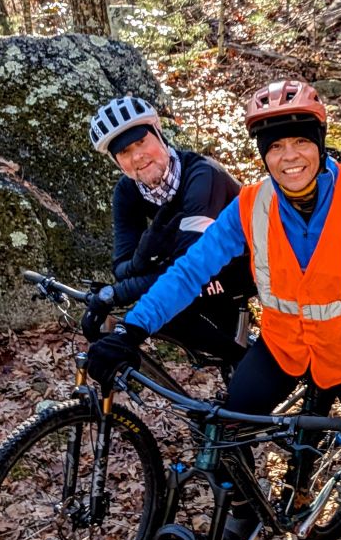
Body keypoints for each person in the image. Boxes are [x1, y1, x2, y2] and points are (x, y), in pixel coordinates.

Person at [85, 80, 341, 540]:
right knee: (226, 430)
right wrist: (132, 329)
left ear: (320, 142)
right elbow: (188, 271)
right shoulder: (251, 205)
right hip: (283, 346)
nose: (288, 156)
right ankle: (245, 516)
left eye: (299, 142)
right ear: (263, 155)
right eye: (274, 147)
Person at [85, 96, 255, 366]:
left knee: (169, 305)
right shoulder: (128, 190)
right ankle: (238, 363)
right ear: (117, 161)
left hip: (247, 265)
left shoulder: (202, 176)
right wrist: (144, 252)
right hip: (201, 269)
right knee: (160, 305)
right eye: (124, 152)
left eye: (141, 142)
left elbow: (189, 267)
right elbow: (122, 266)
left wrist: (115, 294)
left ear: (159, 134)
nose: (137, 156)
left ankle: (246, 363)